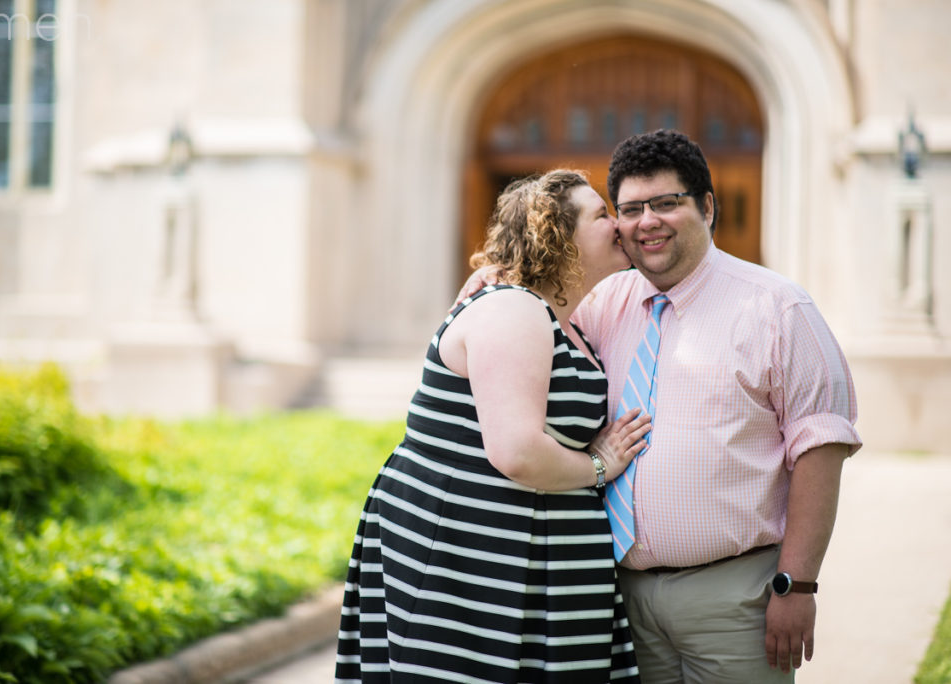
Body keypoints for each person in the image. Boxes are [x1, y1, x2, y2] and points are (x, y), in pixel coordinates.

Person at [458, 129, 862, 683]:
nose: (647, 221)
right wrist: (494, 279)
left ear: (707, 207)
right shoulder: (602, 302)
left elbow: (821, 450)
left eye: (667, 203)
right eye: (629, 209)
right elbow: (523, 327)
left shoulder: (778, 309)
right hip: (619, 599)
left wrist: (797, 583)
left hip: (734, 598)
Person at [335, 170, 650, 683]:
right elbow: (518, 451)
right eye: (601, 215)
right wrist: (602, 463)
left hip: (526, 553)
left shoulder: (562, 318)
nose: (618, 225)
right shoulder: (513, 309)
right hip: (467, 558)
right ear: (558, 234)